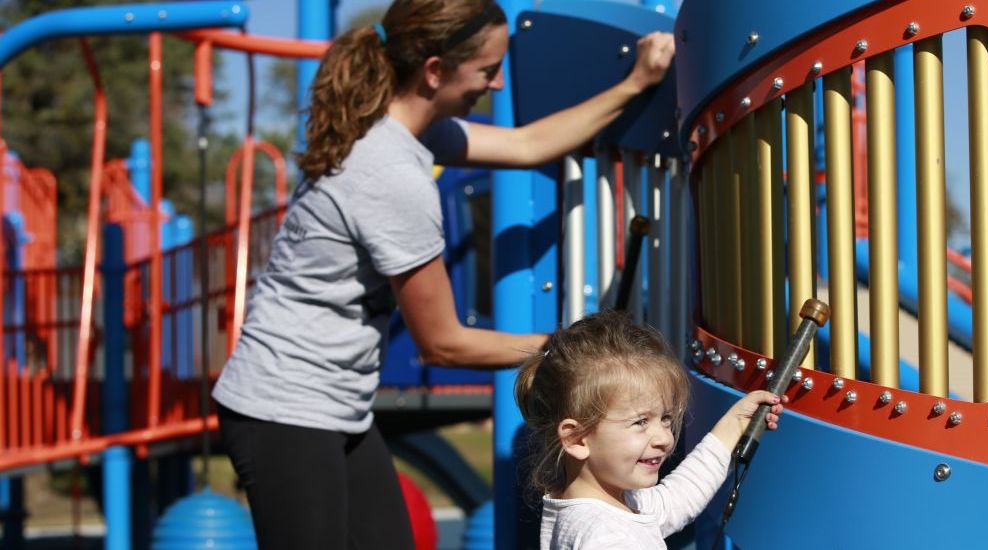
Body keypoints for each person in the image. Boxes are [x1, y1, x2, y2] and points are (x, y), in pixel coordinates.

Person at [210, 0, 677, 547]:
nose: (498, 84)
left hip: (335, 403)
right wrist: (573, 351)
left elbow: (527, 146)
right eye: (485, 70)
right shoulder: (391, 176)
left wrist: (634, 84)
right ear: (434, 71)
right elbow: (443, 344)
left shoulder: (400, 131)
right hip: (282, 406)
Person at [514, 310, 786, 549]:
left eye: (666, 418)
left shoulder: (614, 504)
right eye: (640, 422)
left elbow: (677, 498)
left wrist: (736, 423)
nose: (664, 439)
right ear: (576, 438)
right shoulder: (606, 537)